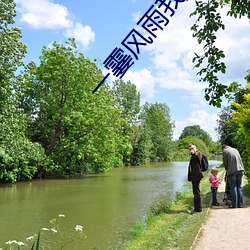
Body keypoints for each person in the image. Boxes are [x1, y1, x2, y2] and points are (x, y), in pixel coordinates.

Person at [188, 143, 204, 214]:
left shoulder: (198, 154)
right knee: (196, 192)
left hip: (196, 176)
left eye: (192, 148)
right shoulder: (194, 155)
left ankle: (198, 209)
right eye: (190, 149)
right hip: (195, 176)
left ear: (195, 148)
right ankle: (197, 208)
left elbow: (198, 158)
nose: (191, 150)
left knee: (196, 192)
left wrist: (194, 152)